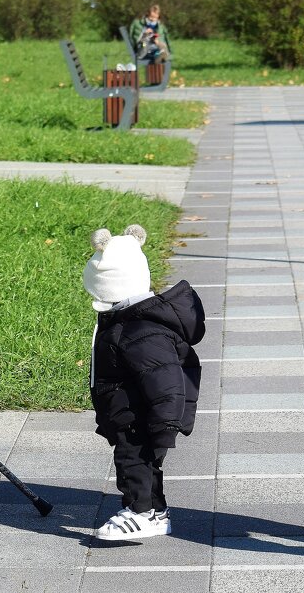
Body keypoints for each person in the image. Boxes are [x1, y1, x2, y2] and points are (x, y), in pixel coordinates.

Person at [83, 225, 204, 541]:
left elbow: (166, 379)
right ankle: (157, 512)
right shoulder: (125, 322)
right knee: (144, 464)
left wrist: (165, 422)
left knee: (133, 462)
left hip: (140, 416)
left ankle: (141, 513)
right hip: (129, 412)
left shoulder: (140, 331)